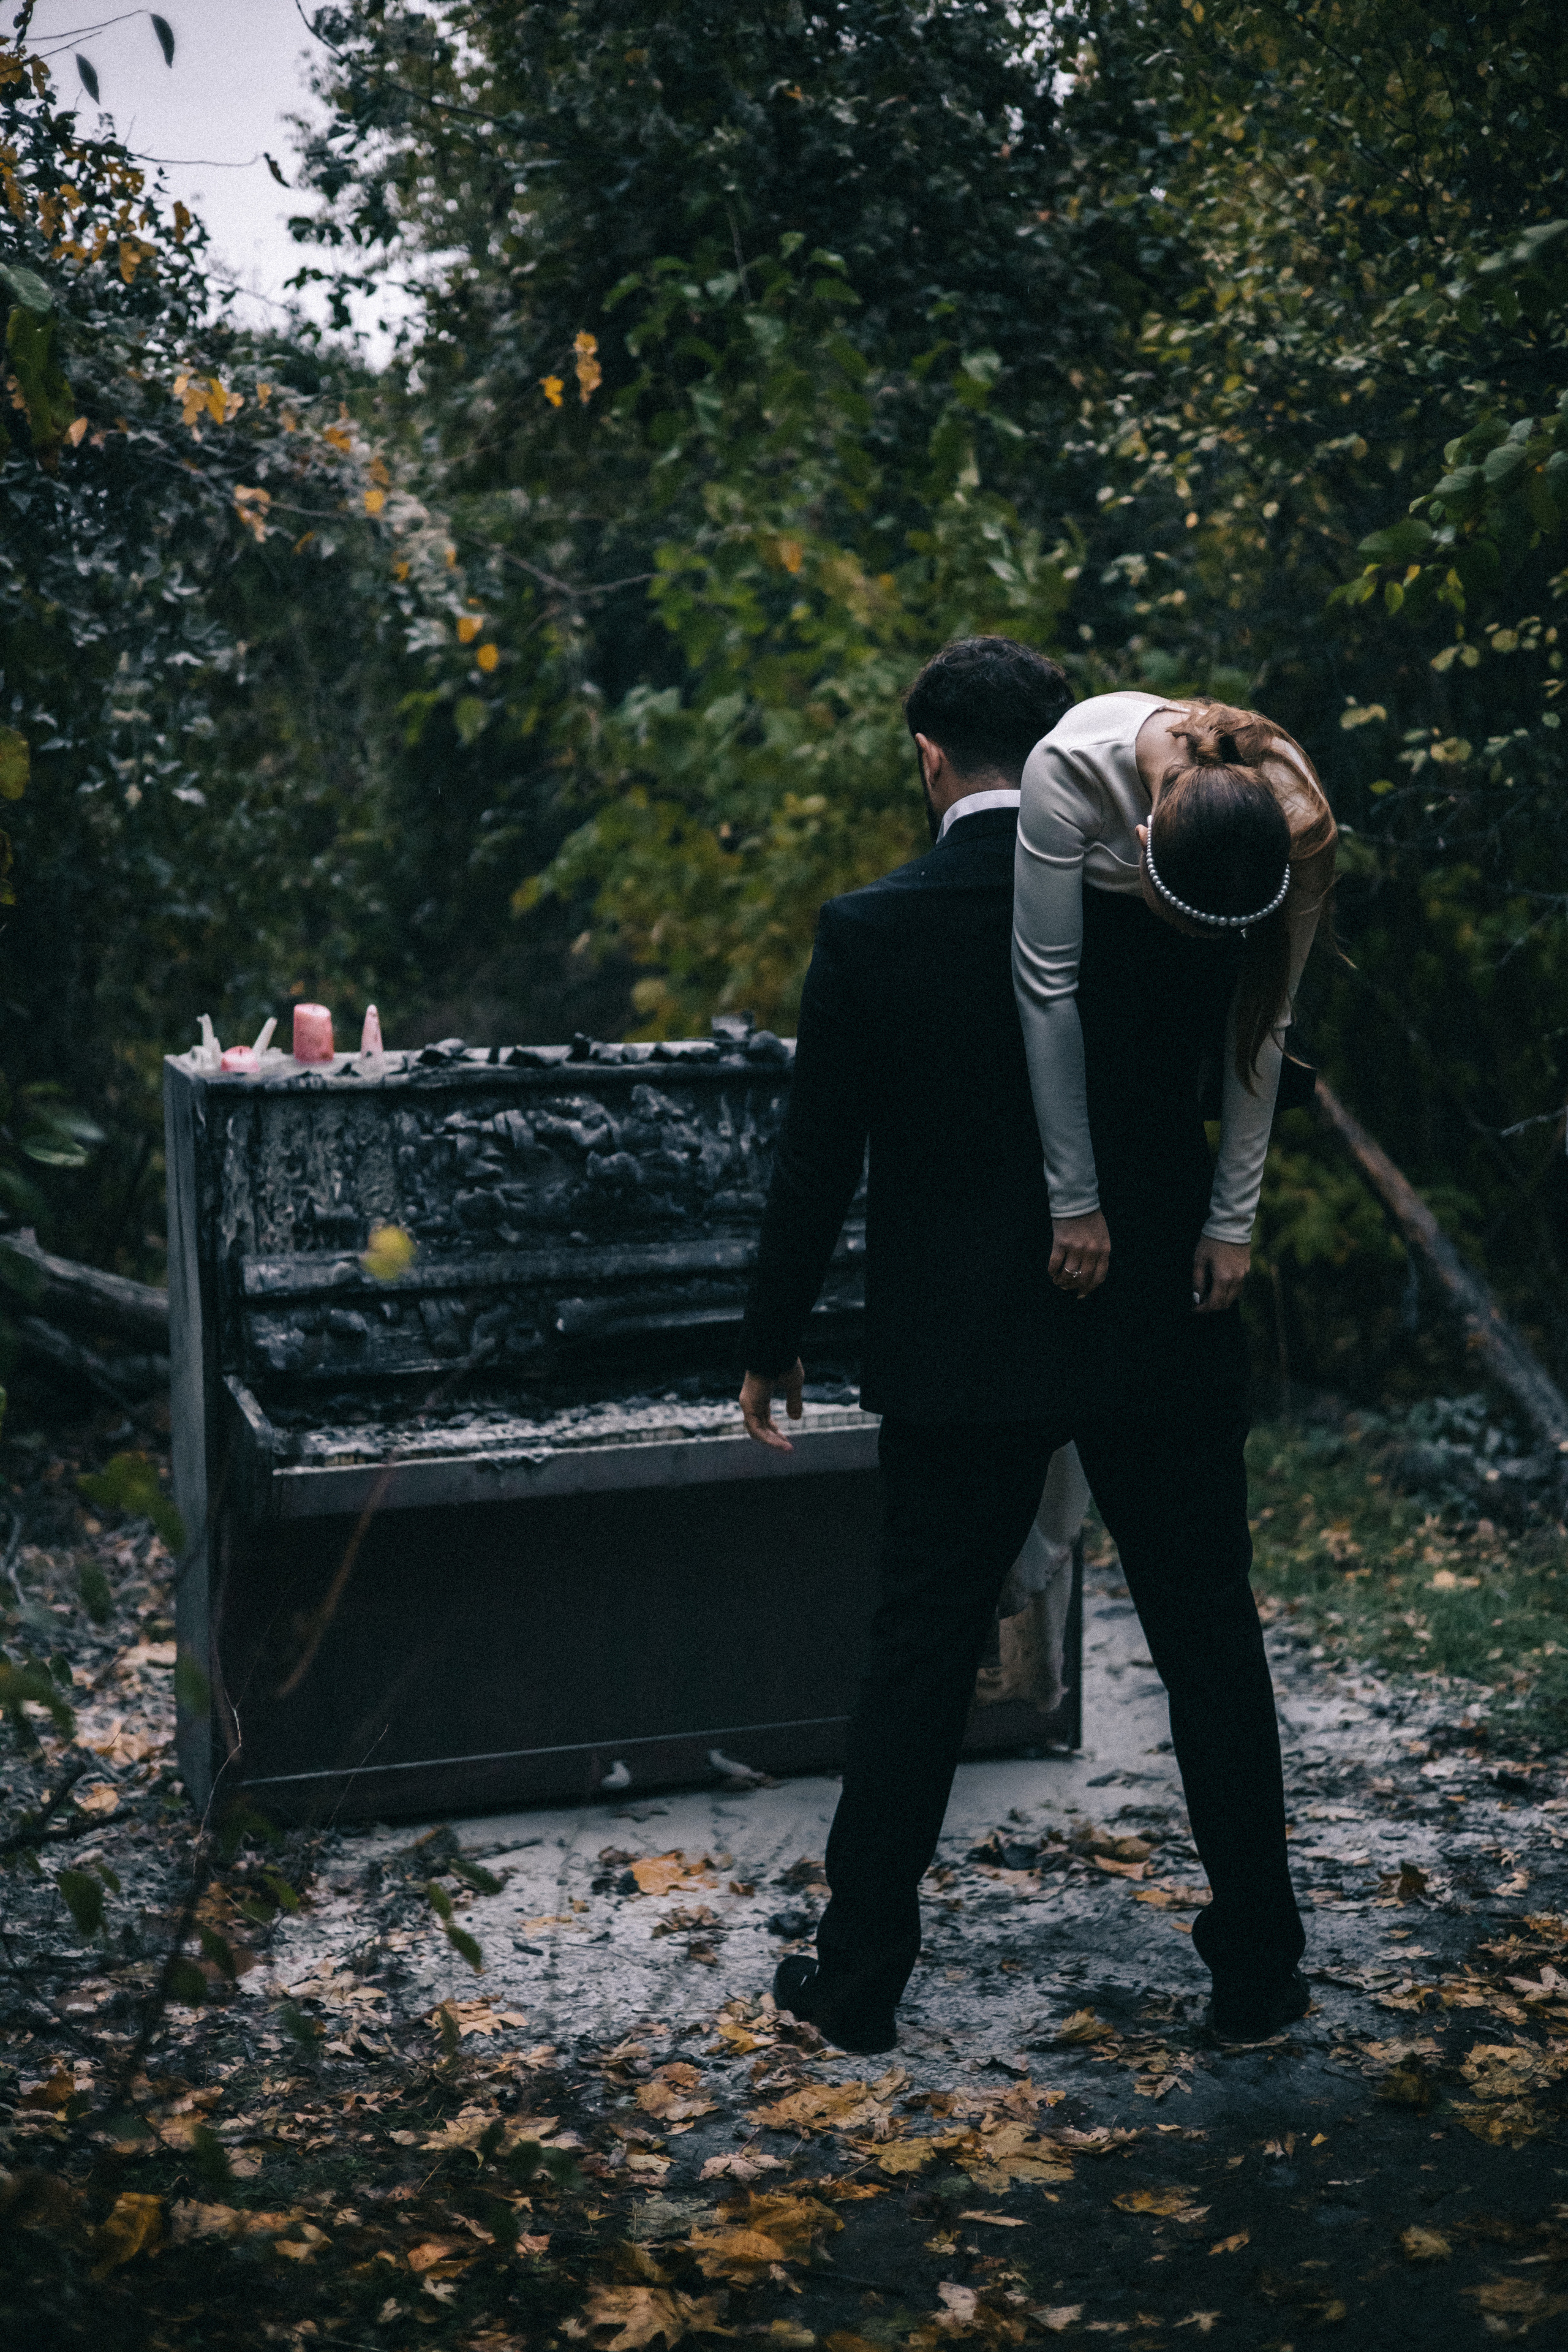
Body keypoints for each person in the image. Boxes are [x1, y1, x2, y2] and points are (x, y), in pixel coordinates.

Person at [740, 655, 1333, 2056]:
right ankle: (1256, 1968)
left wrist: (770, 1339)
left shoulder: (869, 930)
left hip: (964, 1340)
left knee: (920, 1651)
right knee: (1206, 1640)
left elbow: (814, 1160)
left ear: (930, 760)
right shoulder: (1172, 887)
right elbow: (1248, 1056)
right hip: (1161, 1319)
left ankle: (859, 1982)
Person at [1010, 687, 1337, 2037]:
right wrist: (1069, 1196)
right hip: (1067, 1226)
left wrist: (1231, 1221)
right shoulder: (1059, 775)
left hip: (1177, 1246)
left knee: (1204, 1610)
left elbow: (1256, 1032)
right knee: (971, 1577)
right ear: (1139, 836)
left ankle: (1257, 1948)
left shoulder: (1297, 828)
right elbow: (1041, 994)